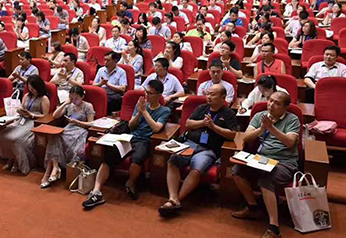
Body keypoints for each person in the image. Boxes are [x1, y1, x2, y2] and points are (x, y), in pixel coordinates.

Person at [82, 80, 171, 208]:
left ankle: (130, 182)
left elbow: (157, 128)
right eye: (146, 92)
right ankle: (96, 191)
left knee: (137, 158)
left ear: (159, 95)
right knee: (110, 154)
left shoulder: (164, 110)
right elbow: (131, 125)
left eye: (150, 93)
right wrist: (139, 112)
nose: (147, 95)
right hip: (130, 137)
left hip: (145, 140)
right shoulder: (139, 104)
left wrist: (144, 112)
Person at [158, 84, 237, 216]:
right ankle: (173, 198)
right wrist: (203, 123)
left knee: (197, 169)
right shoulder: (201, 108)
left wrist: (213, 126)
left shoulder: (228, 113)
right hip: (191, 143)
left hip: (209, 149)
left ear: (223, 97)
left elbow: (232, 134)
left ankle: (177, 199)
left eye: (213, 94)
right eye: (208, 94)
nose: (209, 97)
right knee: (173, 161)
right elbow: (188, 123)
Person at [231, 92, 299, 238]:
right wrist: (262, 128)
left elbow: (290, 142)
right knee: (237, 170)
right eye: (270, 101)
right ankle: (252, 207)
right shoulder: (260, 116)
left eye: (277, 103)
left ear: (286, 107)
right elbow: (246, 137)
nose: (271, 105)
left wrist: (271, 128)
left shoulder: (292, 119)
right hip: (261, 159)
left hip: (284, 162)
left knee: (266, 180)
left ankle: (274, 228)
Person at [42, 86, 95, 188]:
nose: (74, 101)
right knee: (54, 137)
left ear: (82, 96)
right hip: (68, 129)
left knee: (56, 140)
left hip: (80, 131)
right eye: (71, 98)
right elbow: (55, 116)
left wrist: (76, 121)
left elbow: (90, 124)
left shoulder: (88, 106)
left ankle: (48, 173)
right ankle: (55, 168)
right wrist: (65, 103)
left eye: (76, 98)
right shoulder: (69, 105)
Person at [0, 75, 50, 175]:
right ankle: (11, 158)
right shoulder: (26, 96)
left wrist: (32, 115)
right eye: (29, 88)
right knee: (2, 135)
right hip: (22, 119)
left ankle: (18, 162)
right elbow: (22, 107)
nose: (31, 90)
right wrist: (20, 111)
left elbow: (45, 116)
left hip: (34, 122)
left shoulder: (44, 98)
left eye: (33, 88)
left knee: (16, 139)